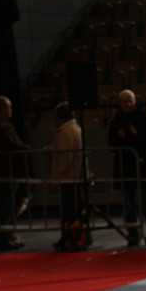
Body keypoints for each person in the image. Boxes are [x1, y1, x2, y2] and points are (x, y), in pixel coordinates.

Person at [109, 89, 146, 248]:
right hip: (124, 168)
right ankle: (133, 236)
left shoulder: (142, 118)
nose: (127, 104)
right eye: (124, 101)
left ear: (134, 102)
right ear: (119, 103)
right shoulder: (115, 120)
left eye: (130, 101)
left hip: (142, 167)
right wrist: (122, 138)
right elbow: (111, 144)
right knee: (128, 207)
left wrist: (132, 136)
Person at [48, 102, 88, 251]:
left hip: (68, 176)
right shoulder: (74, 128)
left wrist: (57, 174)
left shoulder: (65, 131)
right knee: (73, 209)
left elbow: (66, 155)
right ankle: (71, 237)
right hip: (73, 175)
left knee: (69, 210)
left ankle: (71, 238)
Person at [0, 95, 28, 251]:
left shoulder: (4, 124)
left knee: (9, 204)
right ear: (2, 109)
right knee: (6, 205)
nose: (11, 110)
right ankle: (3, 238)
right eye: (9, 107)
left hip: (10, 171)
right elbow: (10, 144)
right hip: (5, 171)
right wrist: (27, 148)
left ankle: (8, 236)